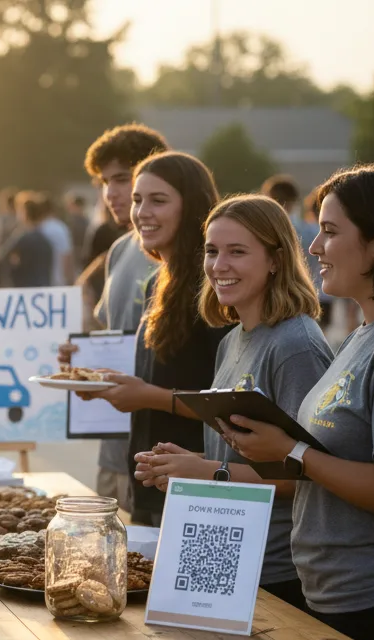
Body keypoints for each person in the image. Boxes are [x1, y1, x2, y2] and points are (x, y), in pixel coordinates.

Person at [215, 164, 374, 640]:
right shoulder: (367, 332)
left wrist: (291, 451)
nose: (314, 248)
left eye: (331, 232)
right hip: (337, 598)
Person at [132, 195, 332, 610]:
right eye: (211, 251)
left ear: (276, 259)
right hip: (223, 555)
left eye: (237, 252)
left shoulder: (296, 343)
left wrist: (209, 471)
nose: (218, 265)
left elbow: (308, 476)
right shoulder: (231, 341)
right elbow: (250, 454)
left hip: (276, 569)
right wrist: (185, 463)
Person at [76, 152, 227, 525]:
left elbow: (230, 406)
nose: (142, 211)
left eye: (158, 200)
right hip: (148, 483)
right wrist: (101, 376)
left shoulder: (214, 288)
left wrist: (148, 397)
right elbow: (157, 374)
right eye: (139, 200)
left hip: (196, 491)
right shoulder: (159, 281)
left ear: (191, 206)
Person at [59, 124, 169, 511]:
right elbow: (112, 338)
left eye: (122, 178)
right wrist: (82, 363)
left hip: (163, 454)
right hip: (115, 449)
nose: (112, 193)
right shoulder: (120, 250)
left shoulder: (189, 255)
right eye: (104, 182)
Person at [261, 174, 333, 328]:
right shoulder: (312, 231)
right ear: (294, 201)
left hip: (278, 298)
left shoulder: (264, 232)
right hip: (316, 294)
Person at [5, 191, 54, 288]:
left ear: (25, 213)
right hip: (42, 286)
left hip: (24, 288)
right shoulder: (45, 238)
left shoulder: (22, 237)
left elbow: (3, 257)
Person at [39, 197, 75, 286]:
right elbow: (66, 255)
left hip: (40, 280)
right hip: (58, 280)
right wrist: (70, 279)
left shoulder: (38, 228)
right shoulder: (60, 228)